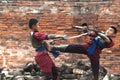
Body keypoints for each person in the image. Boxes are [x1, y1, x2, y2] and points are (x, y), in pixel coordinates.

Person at [46, 26, 117, 80]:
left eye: (111, 31)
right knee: (72, 47)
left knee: (95, 69)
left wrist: (97, 32)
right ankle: (52, 47)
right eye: (108, 29)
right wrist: (86, 30)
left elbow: (105, 39)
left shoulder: (110, 41)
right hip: (87, 47)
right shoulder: (99, 34)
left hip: (94, 53)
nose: (108, 31)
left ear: (113, 34)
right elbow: (91, 33)